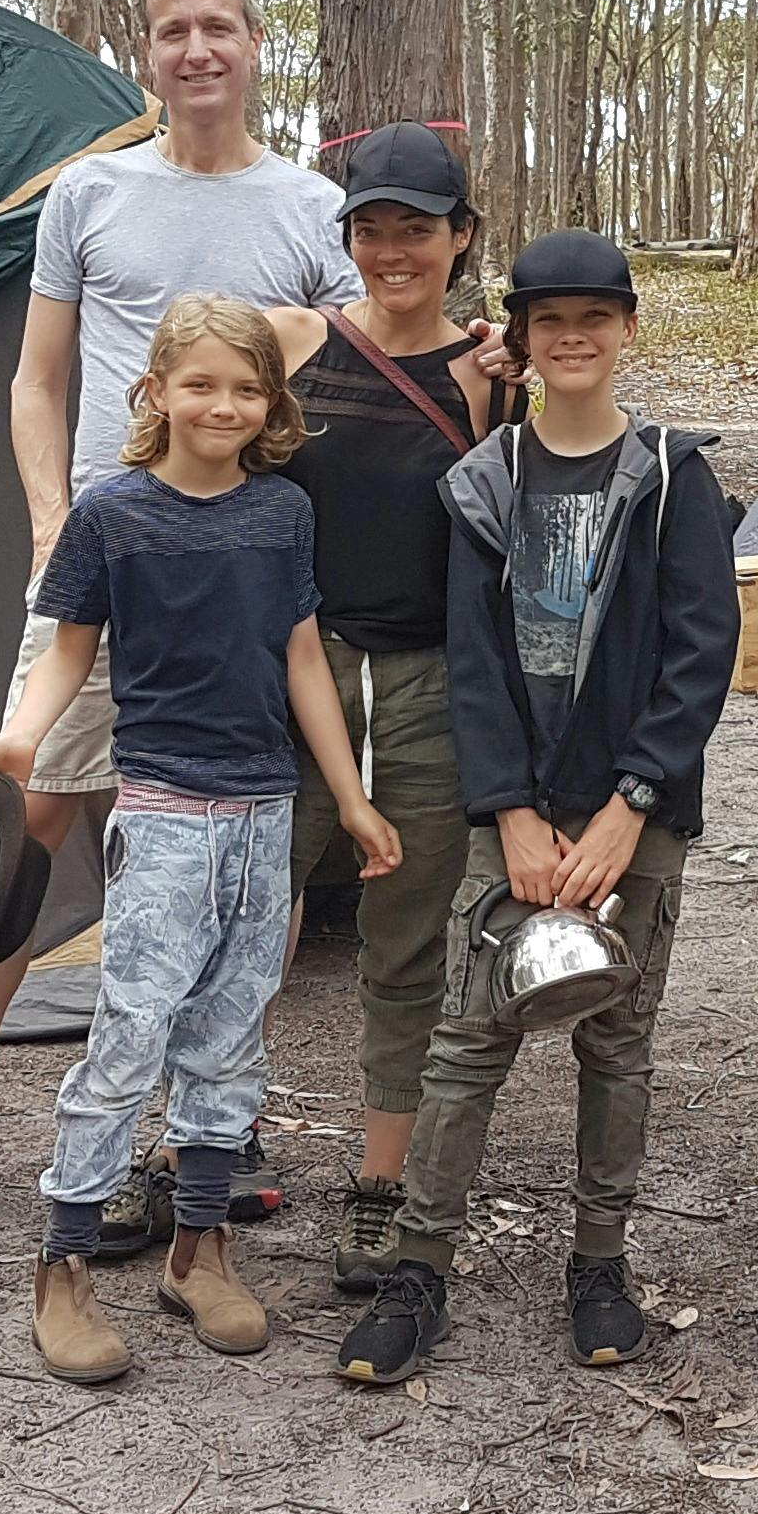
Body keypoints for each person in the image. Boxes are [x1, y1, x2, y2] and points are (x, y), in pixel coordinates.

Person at [0, 0, 360, 1250]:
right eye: (173, 30)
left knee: (239, 862)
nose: (197, 51)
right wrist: (54, 514)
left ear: (253, 41)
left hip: (242, 584)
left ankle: (199, 1144)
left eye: (217, 27)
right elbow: (35, 377)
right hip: (104, 575)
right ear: (151, 52)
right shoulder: (90, 196)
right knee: (25, 830)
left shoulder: (306, 209)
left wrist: (297, 335)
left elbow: (354, 351)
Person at [334, 233, 738, 1386]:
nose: (573, 339)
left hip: (634, 813)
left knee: (617, 1040)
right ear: (517, 334)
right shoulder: (487, 481)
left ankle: (599, 1261)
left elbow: (700, 655)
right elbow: (471, 659)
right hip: (509, 813)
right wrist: (509, 811)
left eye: (594, 319)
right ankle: (421, 1266)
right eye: (548, 320)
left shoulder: (671, 475)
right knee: (468, 1039)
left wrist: (630, 806)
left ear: (627, 329)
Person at [0, 296, 402, 1383]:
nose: (223, 405)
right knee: (128, 1037)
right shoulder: (111, 513)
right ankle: (62, 1266)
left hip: (265, 811)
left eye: (246, 388)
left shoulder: (278, 515)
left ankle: (198, 1247)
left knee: (230, 1039)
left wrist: (348, 798)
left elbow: (304, 656)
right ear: (155, 391)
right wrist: (21, 736)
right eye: (201, 383)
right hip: (163, 812)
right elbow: (69, 653)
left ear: (271, 405)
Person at [254, 123, 503, 1295]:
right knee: (249, 916)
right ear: (343, 236)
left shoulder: (487, 374)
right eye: (371, 229)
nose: (393, 251)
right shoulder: (294, 343)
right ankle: (203, 1146)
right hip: (293, 671)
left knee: (404, 939)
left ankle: (379, 1184)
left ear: (461, 237)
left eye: (419, 228)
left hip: (426, 686)